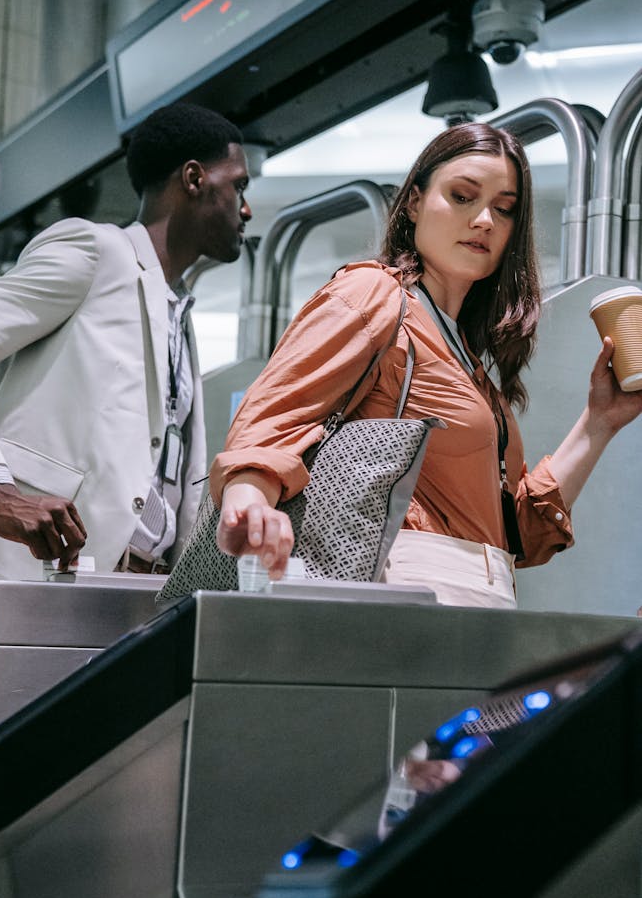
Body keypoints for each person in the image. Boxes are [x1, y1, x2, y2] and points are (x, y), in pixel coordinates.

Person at [209, 122, 642, 609]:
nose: (484, 220)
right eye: (462, 196)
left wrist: (600, 421)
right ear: (414, 202)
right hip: (407, 591)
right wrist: (247, 502)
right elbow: (272, 418)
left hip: (476, 598)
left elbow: (515, 531)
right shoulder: (373, 294)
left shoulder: (463, 353)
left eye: (504, 209)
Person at [0, 102, 251, 589]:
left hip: (126, 592)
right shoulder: (96, 252)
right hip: (9, 578)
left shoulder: (179, 313)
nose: (246, 208)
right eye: (239, 186)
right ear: (194, 179)